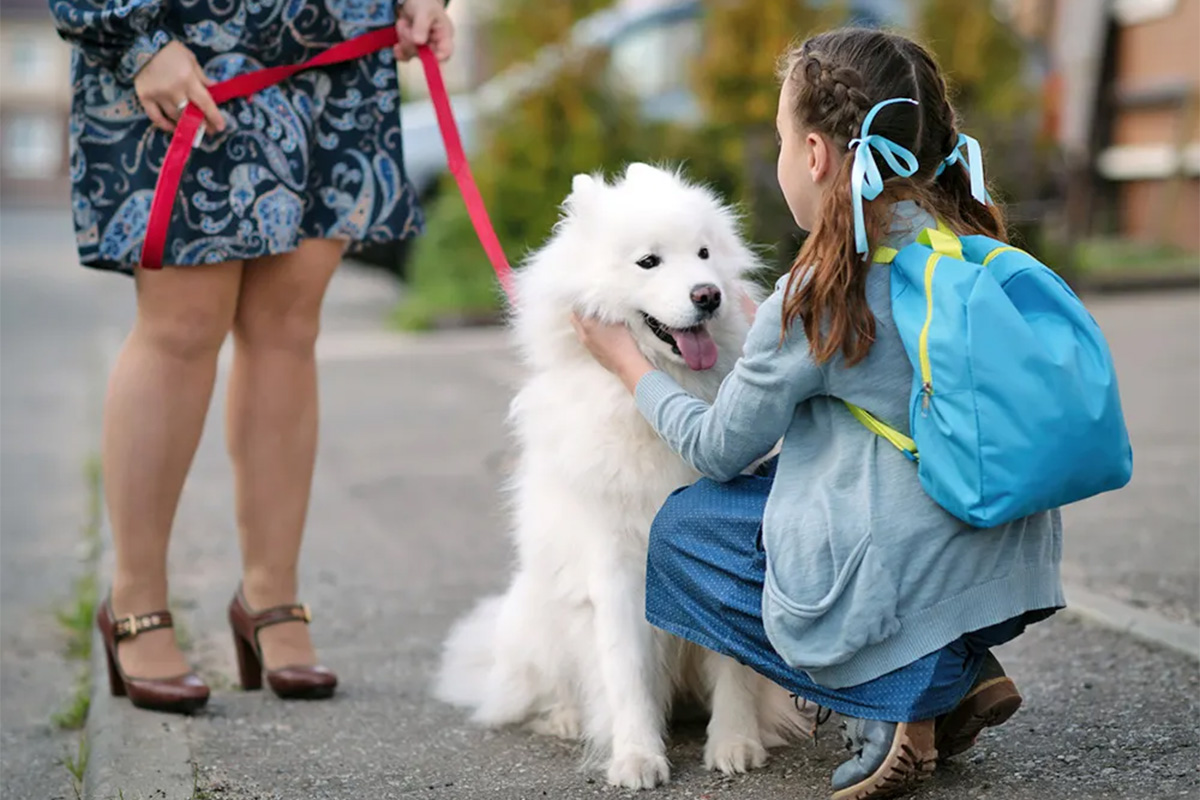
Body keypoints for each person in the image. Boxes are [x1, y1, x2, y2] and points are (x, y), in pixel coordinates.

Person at [571, 28, 1064, 800]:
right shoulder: (968, 245)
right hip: (1010, 568)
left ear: (812, 155)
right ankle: (958, 664)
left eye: (776, 139)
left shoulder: (819, 291)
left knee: (687, 530)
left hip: (902, 569)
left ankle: (881, 701)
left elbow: (717, 449)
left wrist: (626, 362)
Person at [50, 0, 454, 714]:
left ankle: (272, 596)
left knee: (290, 326)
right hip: (190, 46)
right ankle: (136, 601)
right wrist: (139, 41)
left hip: (333, 50)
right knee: (183, 323)